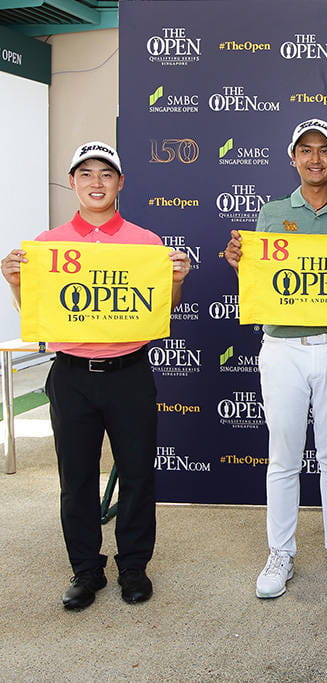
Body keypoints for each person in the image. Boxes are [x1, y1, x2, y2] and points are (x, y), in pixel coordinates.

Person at [1, 141, 191, 610]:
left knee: (138, 475)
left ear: (120, 183)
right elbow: (37, 314)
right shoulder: (47, 245)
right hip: (72, 376)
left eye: (105, 175)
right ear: (73, 184)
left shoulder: (146, 243)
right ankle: (86, 571)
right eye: (86, 175)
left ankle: (133, 568)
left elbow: (161, 313)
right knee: (77, 478)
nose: (96, 183)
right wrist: (15, 282)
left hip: (129, 373)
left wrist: (178, 279)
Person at [223, 118, 327, 599]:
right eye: (306, 150)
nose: (315, 159)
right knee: (284, 458)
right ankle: (282, 553)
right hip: (282, 348)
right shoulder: (271, 215)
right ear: (292, 157)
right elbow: (258, 280)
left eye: (325, 151)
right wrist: (240, 261)